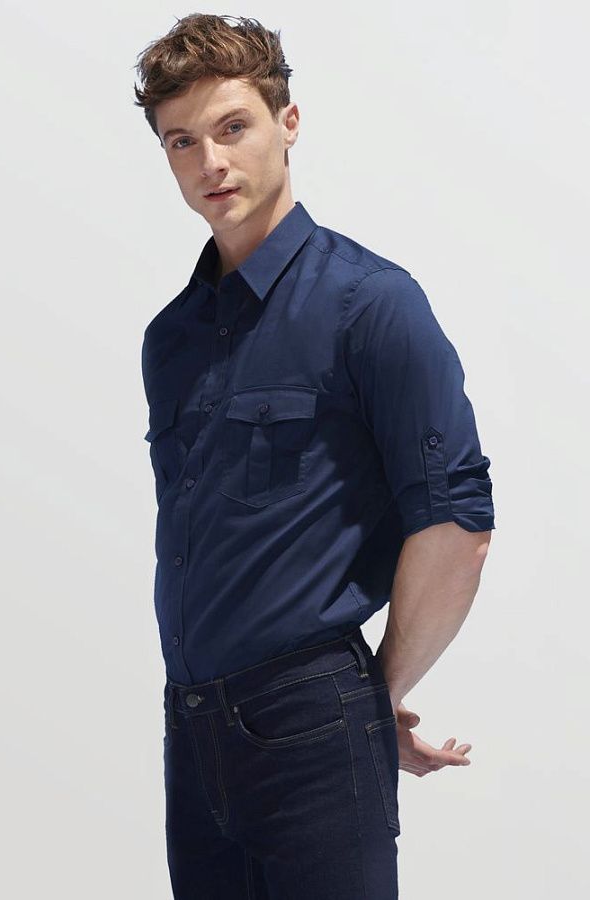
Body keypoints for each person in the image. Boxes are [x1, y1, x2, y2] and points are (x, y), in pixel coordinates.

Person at [133, 13, 496, 900]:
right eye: (182, 141)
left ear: (288, 122)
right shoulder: (171, 337)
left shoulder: (371, 305)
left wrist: (373, 696)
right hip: (192, 732)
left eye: (233, 127)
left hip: (312, 720)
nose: (211, 162)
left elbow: (456, 525)